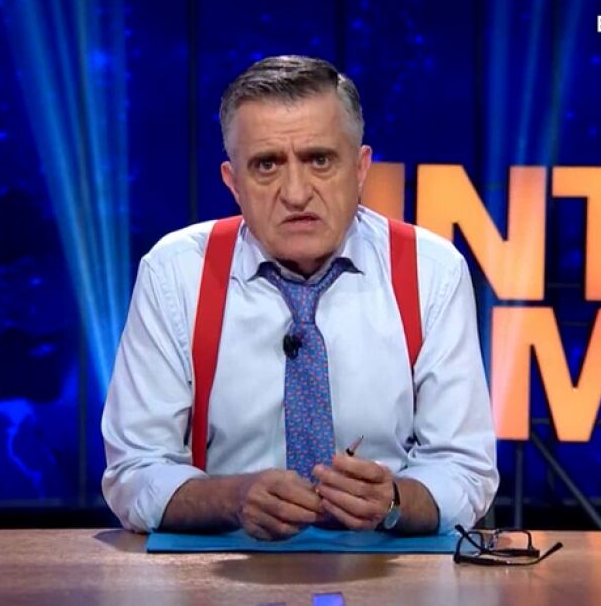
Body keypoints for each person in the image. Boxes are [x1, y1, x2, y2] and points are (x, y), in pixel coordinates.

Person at [102, 55, 498, 539]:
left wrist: (393, 500)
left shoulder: (431, 271)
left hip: (388, 565)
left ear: (360, 168)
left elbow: (464, 469)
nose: (295, 192)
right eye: (267, 165)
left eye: (319, 160)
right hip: (224, 565)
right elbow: (135, 472)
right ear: (233, 182)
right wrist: (233, 499)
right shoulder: (176, 273)